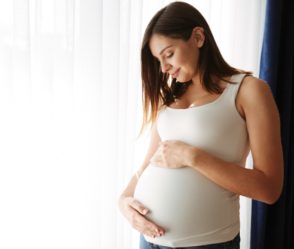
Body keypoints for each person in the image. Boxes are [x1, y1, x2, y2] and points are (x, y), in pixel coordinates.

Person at [117, 2, 284, 249]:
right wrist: (124, 201)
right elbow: (147, 165)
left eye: (169, 54)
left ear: (197, 36)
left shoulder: (248, 91)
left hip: (208, 243)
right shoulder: (169, 99)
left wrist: (192, 156)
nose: (164, 68)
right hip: (149, 242)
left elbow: (269, 189)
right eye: (158, 60)